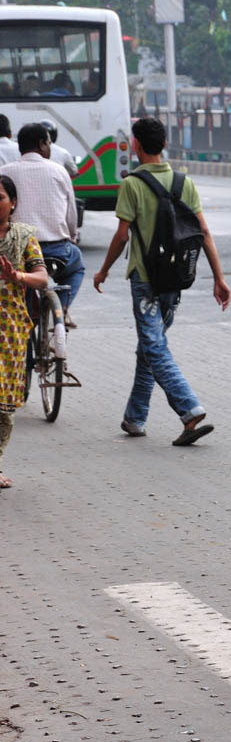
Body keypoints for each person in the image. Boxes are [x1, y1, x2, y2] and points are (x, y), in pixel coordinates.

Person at [92, 116, 231, 445]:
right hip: (175, 281)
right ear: (165, 144)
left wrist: (104, 270)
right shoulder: (184, 182)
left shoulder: (132, 184)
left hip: (145, 280)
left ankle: (189, 409)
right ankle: (135, 418)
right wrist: (218, 279)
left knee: (154, 348)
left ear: (136, 145)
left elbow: (122, 235)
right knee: (148, 348)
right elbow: (205, 233)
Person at [2, 123, 84, 323]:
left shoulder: (5, 172)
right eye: (48, 143)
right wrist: (71, 237)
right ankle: (62, 309)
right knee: (77, 265)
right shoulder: (59, 171)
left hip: (17, 251)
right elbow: (71, 214)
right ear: (41, 145)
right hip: (56, 250)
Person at [0, 175, 48, 488]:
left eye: (0, 197)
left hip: (10, 328)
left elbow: (42, 278)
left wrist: (17, 275)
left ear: (13, 203)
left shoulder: (24, 236)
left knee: (3, 401)